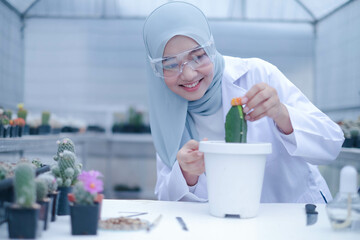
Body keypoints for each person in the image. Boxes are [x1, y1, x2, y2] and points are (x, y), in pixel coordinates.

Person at [142, 2, 344, 203]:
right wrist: (186, 175)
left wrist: (281, 113)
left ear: (211, 48)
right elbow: (164, 198)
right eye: (169, 64)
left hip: (295, 217)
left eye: (198, 56)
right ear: (156, 70)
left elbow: (331, 143)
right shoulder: (166, 111)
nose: (188, 73)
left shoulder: (257, 75)